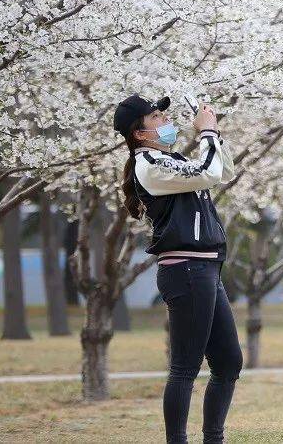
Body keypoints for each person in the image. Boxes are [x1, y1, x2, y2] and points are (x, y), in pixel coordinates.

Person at [113, 94, 242, 444]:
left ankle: (214, 438)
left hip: (206, 270)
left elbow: (223, 171)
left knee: (229, 363)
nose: (165, 121)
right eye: (156, 117)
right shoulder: (149, 164)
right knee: (185, 367)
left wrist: (213, 133)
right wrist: (206, 134)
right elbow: (207, 172)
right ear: (139, 133)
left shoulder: (170, 159)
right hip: (185, 269)